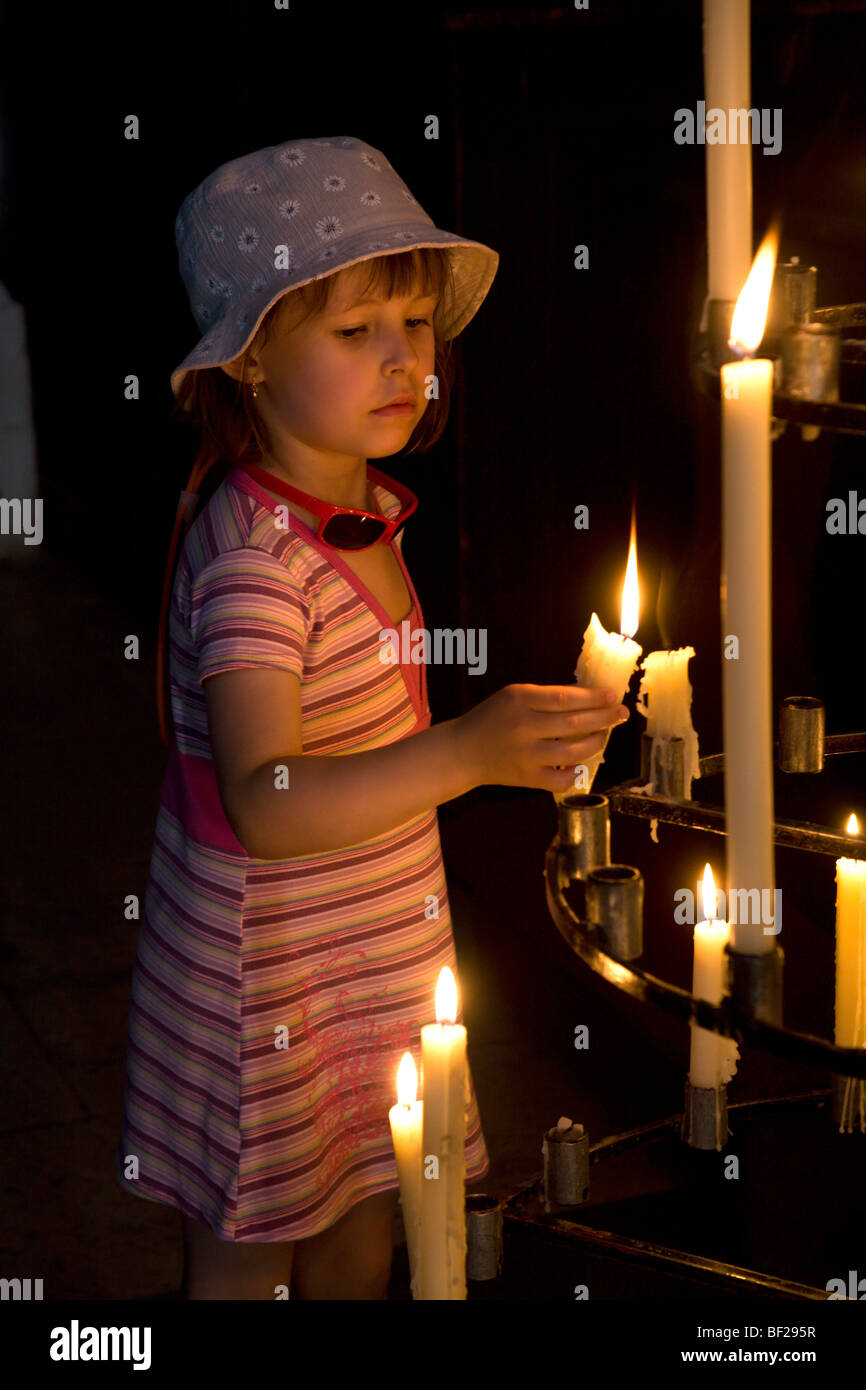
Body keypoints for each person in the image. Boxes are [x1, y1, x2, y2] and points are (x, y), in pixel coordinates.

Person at [115, 136, 629, 1300]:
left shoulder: (359, 514)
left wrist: (520, 745)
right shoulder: (255, 564)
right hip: (268, 987)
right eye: (356, 333)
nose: (403, 359)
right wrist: (468, 751)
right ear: (248, 362)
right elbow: (264, 799)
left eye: (413, 326)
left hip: (365, 959)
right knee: (251, 1256)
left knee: (364, 1220)